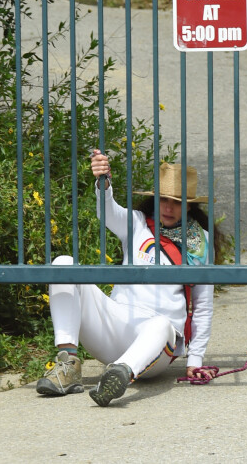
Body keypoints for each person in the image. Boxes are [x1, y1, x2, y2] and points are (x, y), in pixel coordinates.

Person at [36, 153, 218, 406]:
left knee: (162, 325)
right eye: (163, 200)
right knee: (63, 264)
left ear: (189, 205)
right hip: (113, 327)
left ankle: (120, 374)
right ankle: (68, 364)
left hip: (155, 347)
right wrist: (104, 182)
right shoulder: (137, 223)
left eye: (176, 202)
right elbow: (108, 212)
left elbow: (203, 305)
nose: (167, 207)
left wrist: (195, 360)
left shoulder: (203, 243)